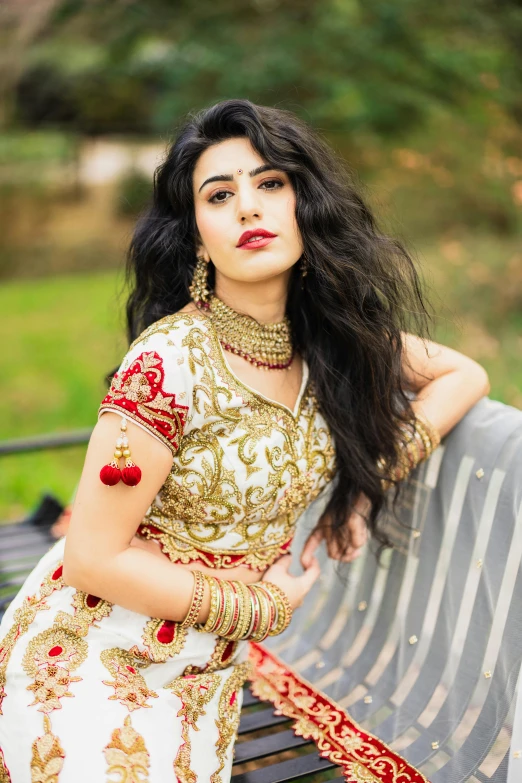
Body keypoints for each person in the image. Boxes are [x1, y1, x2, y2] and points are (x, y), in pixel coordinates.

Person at [0, 98, 490, 783]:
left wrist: (360, 492)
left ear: (304, 205)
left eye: (270, 184)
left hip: (203, 676)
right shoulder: (168, 364)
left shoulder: (329, 344)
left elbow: (463, 374)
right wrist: (263, 605)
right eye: (220, 194)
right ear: (199, 237)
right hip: (93, 650)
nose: (249, 208)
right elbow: (91, 558)